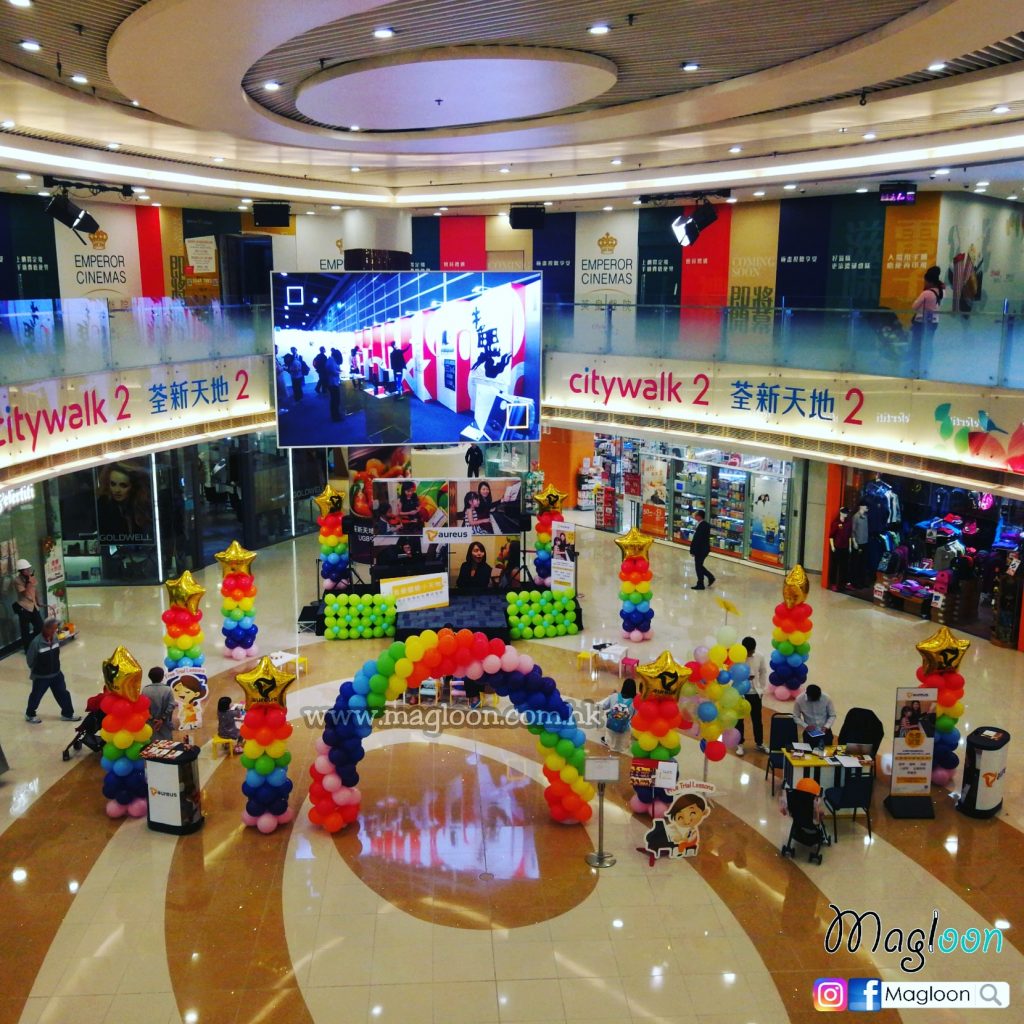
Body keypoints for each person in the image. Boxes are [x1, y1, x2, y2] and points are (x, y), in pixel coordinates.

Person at [25, 617, 80, 723]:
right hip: (41, 677)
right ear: (46, 628)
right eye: (53, 629)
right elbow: (30, 660)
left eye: (55, 629)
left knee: (63, 694)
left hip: (56, 674)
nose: (55, 631)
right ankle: (30, 714)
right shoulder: (36, 643)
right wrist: (39, 670)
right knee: (36, 696)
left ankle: (67, 714)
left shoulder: (55, 637)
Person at [96, 461, 152, 542]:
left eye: (123, 485)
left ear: (133, 487)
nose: (117, 490)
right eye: (113, 484)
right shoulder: (103, 506)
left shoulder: (140, 507)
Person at [735, 636, 768, 755]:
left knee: (757, 720)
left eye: (753, 650)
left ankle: (759, 743)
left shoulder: (759, 656)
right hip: (740, 694)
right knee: (739, 720)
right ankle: (739, 744)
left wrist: (762, 688)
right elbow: (731, 673)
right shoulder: (736, 658)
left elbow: (763, 671)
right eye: (749, 651)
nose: (751, 653)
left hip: (755, 693)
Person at [598, 677, 636, 754]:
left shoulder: (614, 696)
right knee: (624, 747)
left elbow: (604, 706)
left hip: (611, 727)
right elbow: (635, 718)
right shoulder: (635, 702)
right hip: (624, 730)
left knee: (610, 741)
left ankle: (607, 742)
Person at [13, 558, 43, 652]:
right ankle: (28, 649)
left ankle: (34, 643)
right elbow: (25, 593)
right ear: (21, 571)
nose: (29, 571)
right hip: (24, 607)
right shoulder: (17, 580)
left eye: (29, 568)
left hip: (33, 606)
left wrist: (38, 600)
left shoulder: (31, 577)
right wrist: (29, 582)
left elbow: (35, 590)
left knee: (40, 627)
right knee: (25, 630)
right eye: (26, 569)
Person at [910, 265, 944, 345]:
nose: (924, 283)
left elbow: (914, 307)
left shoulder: (926, 293)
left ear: (930, 282)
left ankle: (915, 357)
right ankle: (928, 357)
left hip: (921, 321)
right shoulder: (941, 291)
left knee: (916, 343)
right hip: (934, 321)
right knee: (928, 343)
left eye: (925, 281)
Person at [142, 665, 175, 742]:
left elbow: (143, 707)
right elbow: (171, 706)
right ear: (162, 677)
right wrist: (162, 719)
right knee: (166, 744)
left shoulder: (145, 690)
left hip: (151, 723)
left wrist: (153, 719)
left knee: (152, 745)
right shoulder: (167, 689)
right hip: (165, 723)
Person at [689, 510, 715, 590]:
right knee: (699, 565)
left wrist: (693, 550)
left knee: (698, 566)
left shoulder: (702, 526)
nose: (694, 516)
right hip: (703, 549)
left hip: (701, 550)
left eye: (696, 515)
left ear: (699, 516)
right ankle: (710, 577)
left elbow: (697, 539)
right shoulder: (704, 524)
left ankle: (701, 584)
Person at [325, 347, 344, 422]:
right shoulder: (331, 361)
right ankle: (336, 416)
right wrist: (340, 372)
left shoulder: (331, 360)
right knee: (335, 400)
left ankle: (335, 415)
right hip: (333, 383)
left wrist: (339, 371)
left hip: (333, 383)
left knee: (334, 400)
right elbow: (334, 372)